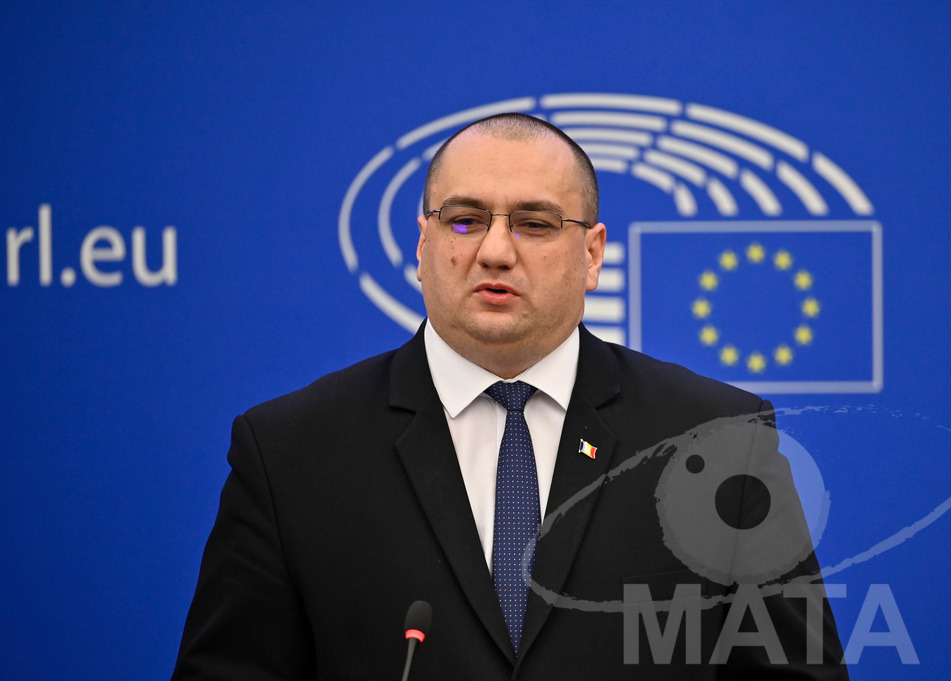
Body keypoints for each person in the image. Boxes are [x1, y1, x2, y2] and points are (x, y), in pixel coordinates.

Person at [172, 113, 848, 679]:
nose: (495, 250)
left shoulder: (715, 433)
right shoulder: (292, 451)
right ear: (421, 242)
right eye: (465, 220)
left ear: (592, 254)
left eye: (534, 223)